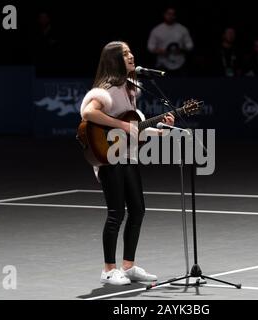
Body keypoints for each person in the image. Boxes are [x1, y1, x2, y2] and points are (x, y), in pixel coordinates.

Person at [80, 41, 175, 285]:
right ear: (114, 60)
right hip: (109, 156)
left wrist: (161, 130)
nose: (131, 56)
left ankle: (128, 266)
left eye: (130, 52)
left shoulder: (130, 88)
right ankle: (108, 269)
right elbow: (89, 113)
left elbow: (135, 129)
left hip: (127, 156)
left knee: (138, 210)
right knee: (116, 213)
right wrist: (122, 125)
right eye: (124, 54)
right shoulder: (106, 89)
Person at [147, 7, 194, 75]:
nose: (170, 16)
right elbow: (150, 47)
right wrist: (159, 51)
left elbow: (190, 45)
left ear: (175, 16)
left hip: (180, 63)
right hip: (162, 64)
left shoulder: (182, 29)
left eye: (172, 14)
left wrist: (182, 49)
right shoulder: (157, 30)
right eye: (168, 14)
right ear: (164, 14)